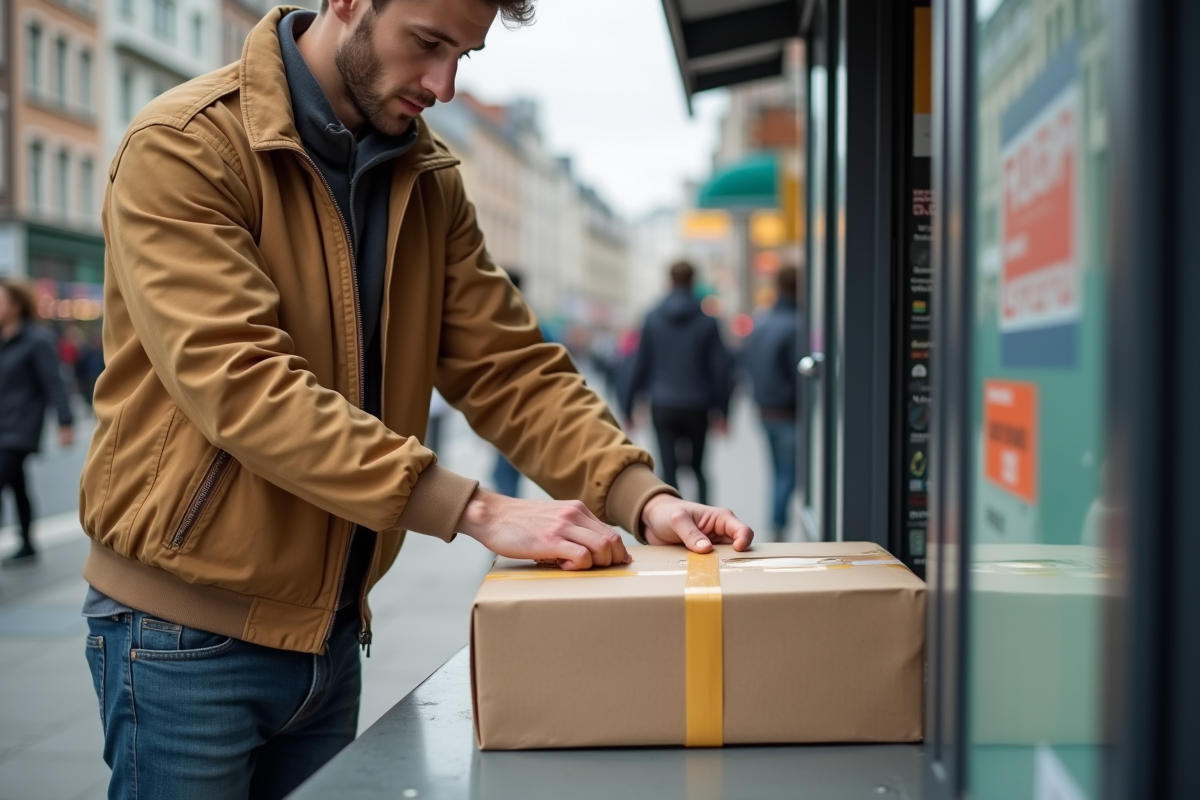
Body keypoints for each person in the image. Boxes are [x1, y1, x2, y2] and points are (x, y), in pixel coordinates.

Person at [76, 1, 754, 797]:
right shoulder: (186, 145)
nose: (444, 84)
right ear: (348, 3)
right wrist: (476, 508)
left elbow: (509, 366)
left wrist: (642, 498)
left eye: (464, 56)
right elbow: (242, 383)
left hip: (329, 634)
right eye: (428, 44)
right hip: (181, 635)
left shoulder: (425, 178)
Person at [621, 261, 731, 505]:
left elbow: (639, 364)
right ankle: (707, 520)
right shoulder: (707, 321)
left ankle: (673, 520)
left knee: (668, 471)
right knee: (699, 468)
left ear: (669, 282)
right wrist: (724, 412)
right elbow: (720, 370)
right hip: (698, 405)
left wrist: (628, 408)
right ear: (693, 282)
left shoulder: (652, 318)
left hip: (663, 405)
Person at [0, 278, 74, 567]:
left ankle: (27, 543)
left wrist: (64, 421)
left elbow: (54, 383)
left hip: (20, 426)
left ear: (16, 306)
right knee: (17, 483)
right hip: (2, 424)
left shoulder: (37, 340)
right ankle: (28, 544)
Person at [743, 265, 802, 541]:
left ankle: (775, 521)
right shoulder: (796, 324)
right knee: (787, 473)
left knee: (778, 470)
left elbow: (748, 365)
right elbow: (798, 371)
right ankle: (777, 524)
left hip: (765, 409)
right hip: (788, 411)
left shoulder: (762, 322)